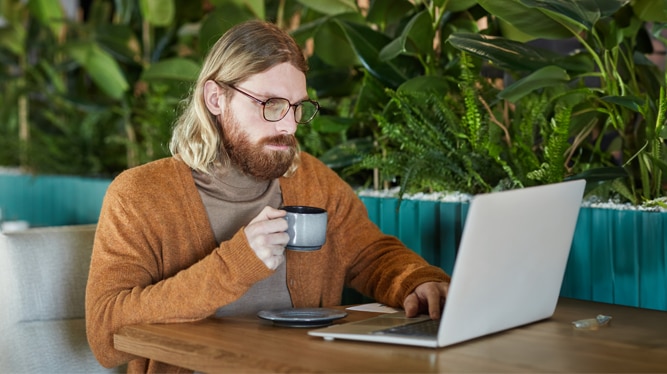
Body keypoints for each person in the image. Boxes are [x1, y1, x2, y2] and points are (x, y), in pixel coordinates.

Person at [85, 20, 450, 373]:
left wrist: (417, 281)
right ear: (216, 98)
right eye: (270, 104)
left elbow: (369, 254)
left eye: (297, 107)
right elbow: (104, 334)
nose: (289, 125)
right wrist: (236, 264)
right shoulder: (140, 196)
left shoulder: (312, 180)